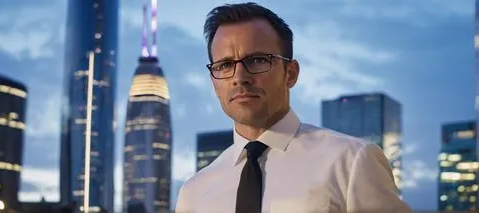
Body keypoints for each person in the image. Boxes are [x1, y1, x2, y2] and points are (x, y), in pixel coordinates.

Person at [175, 2, 413, 213]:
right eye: (225, 65)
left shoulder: (351, 163)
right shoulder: (194, 193)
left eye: (257, 60)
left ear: (291, 73)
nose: (240, 77)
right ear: (214, 82)